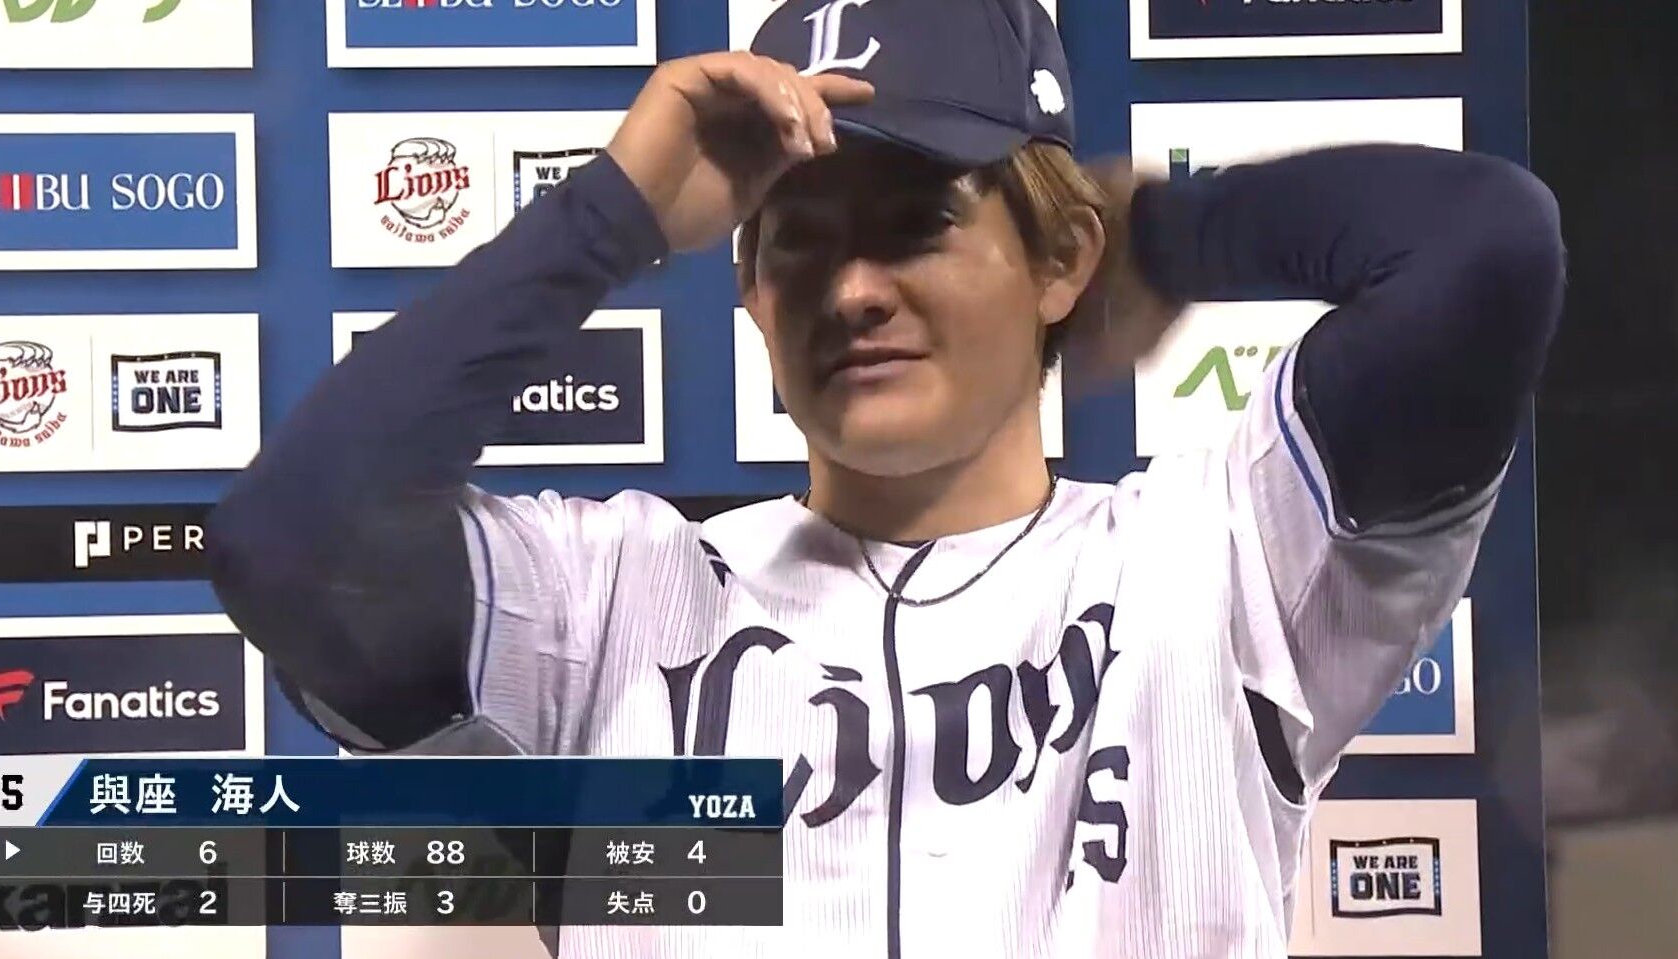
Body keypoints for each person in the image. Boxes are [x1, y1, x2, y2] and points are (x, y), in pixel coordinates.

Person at [206, 0, 1566, 955]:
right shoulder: (606, 597)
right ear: (749, 292)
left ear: (1059, 261)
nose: (852, 289)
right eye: (799, 238)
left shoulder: (1224, 559)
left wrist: (1171, 235)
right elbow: (292, 540)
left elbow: (1478, 246)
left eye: (915, 224)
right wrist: (608, 215)